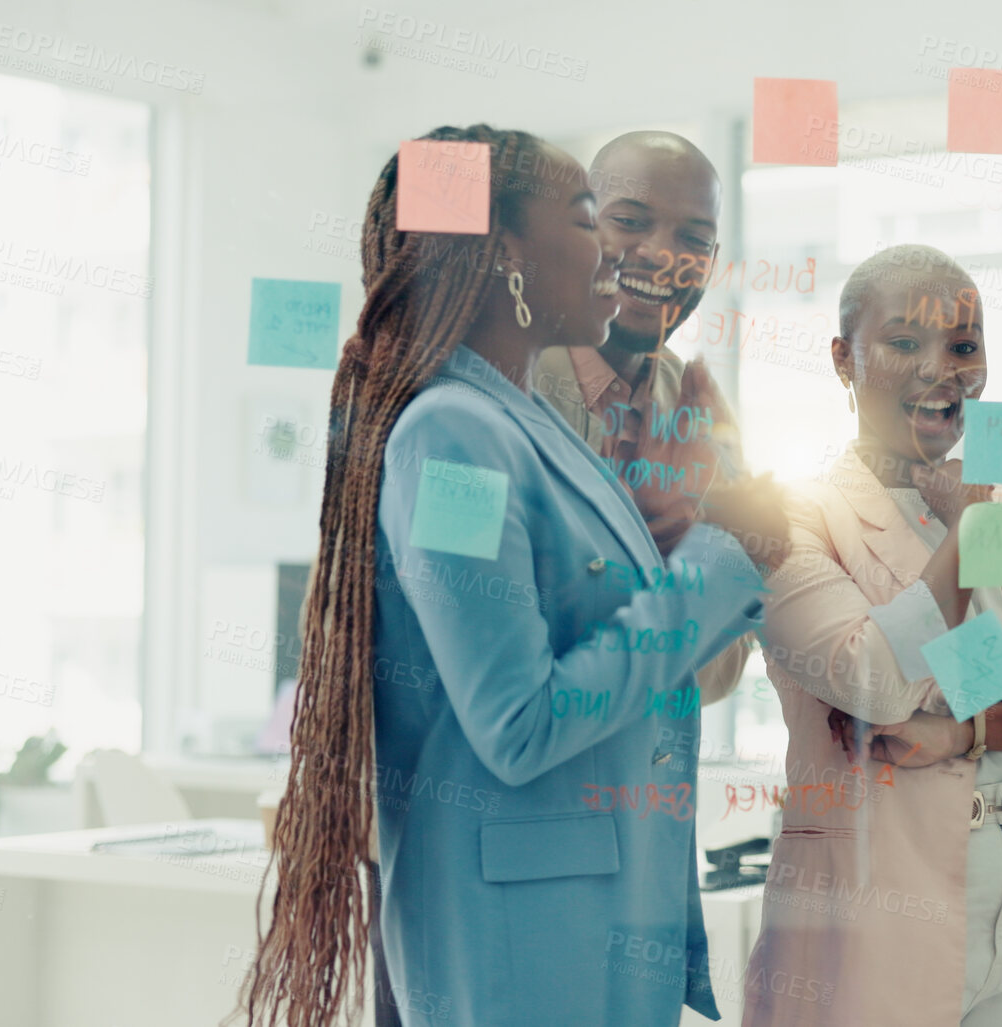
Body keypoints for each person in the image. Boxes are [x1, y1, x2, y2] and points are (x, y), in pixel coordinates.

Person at [239, 125, 788, 1027]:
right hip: (523, 937)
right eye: (590, 220)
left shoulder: (518, 422)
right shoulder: (450, 439)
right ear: (506, 256)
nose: (619, 256)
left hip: (595, 915)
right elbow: (515, 719)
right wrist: (719, 557)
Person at [743, 244, 1002, 1026]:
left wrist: (962, 730)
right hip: (880, 899)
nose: (940, 368)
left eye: (963, 345)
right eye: (902, 343)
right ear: (842, 359)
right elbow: (871, 679)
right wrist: (963, 534)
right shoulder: (796, 516)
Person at [533, 130, 753, 707]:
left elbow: (727, 662)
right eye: (630, 221)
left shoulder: (702, 412)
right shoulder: (503, 390)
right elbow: (498, 649)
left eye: (694, 238)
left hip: (644, 788)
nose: (661, 253)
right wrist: (675, 562)